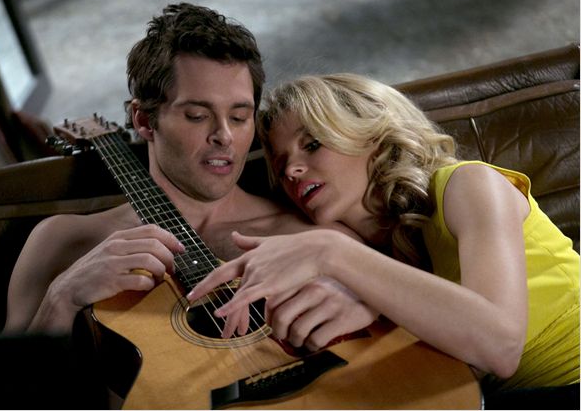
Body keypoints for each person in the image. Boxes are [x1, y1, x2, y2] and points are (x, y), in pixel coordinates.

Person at [188, 73, 580, 393]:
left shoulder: (468, 184)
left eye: (312, 144)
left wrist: (330, 252)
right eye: (281, 162)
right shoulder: (376, 258)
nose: (292, 170)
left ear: (371, 136)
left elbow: (500, 345)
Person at [3, 4, 370, 337]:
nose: (224, 136)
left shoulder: (318, 238)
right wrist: (61, 298)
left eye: (239, 117)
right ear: (144, 120)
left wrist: (366, 304)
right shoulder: (61, 239)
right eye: (197, 115)